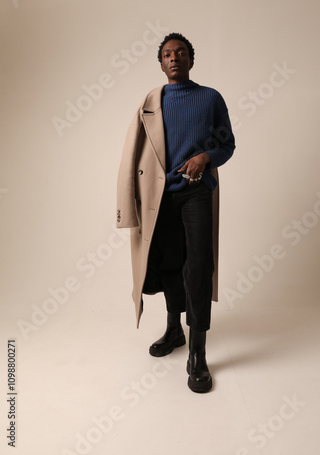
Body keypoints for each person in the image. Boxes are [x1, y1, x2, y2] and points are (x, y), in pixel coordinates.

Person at [116, 32, 235, 393]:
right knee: (168, 263)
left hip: (196, 193)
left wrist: (205, 157)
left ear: (191, 59)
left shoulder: (210, 97)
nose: (174, 58)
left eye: (180, 52)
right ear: (161, 62)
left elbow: (227, 143)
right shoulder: (152, 101)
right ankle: (173, 330)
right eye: (167, 54)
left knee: (198, 265)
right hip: (159, 196)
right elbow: (131, 155)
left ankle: (197, 353)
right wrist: (128, 203)